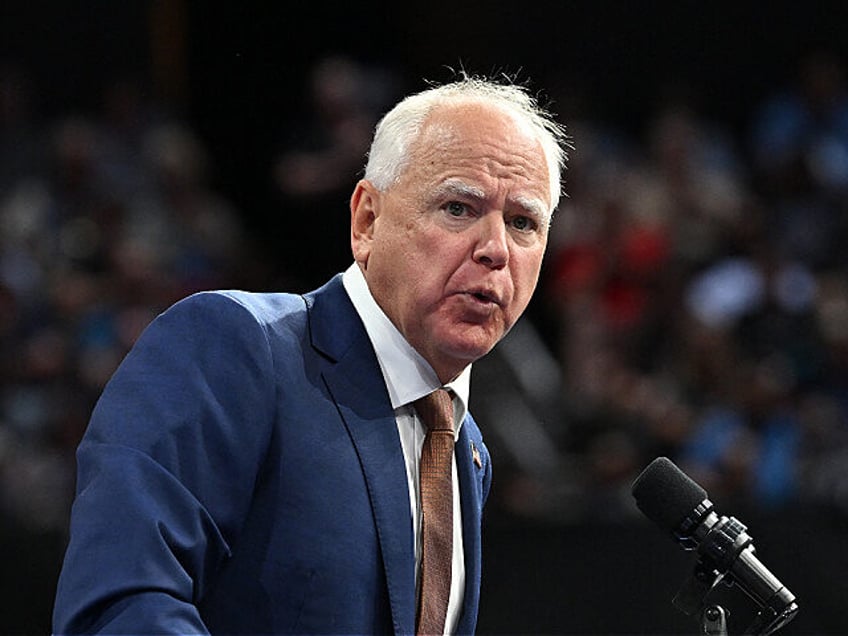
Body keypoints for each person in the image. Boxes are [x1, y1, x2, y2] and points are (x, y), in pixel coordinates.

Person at [51, 73, 569, 635]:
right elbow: (121, 606)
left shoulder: (464, 449)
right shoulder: (236, 346)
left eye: (522, 223)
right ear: (367, 221)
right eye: (458, 208)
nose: (495, 250)